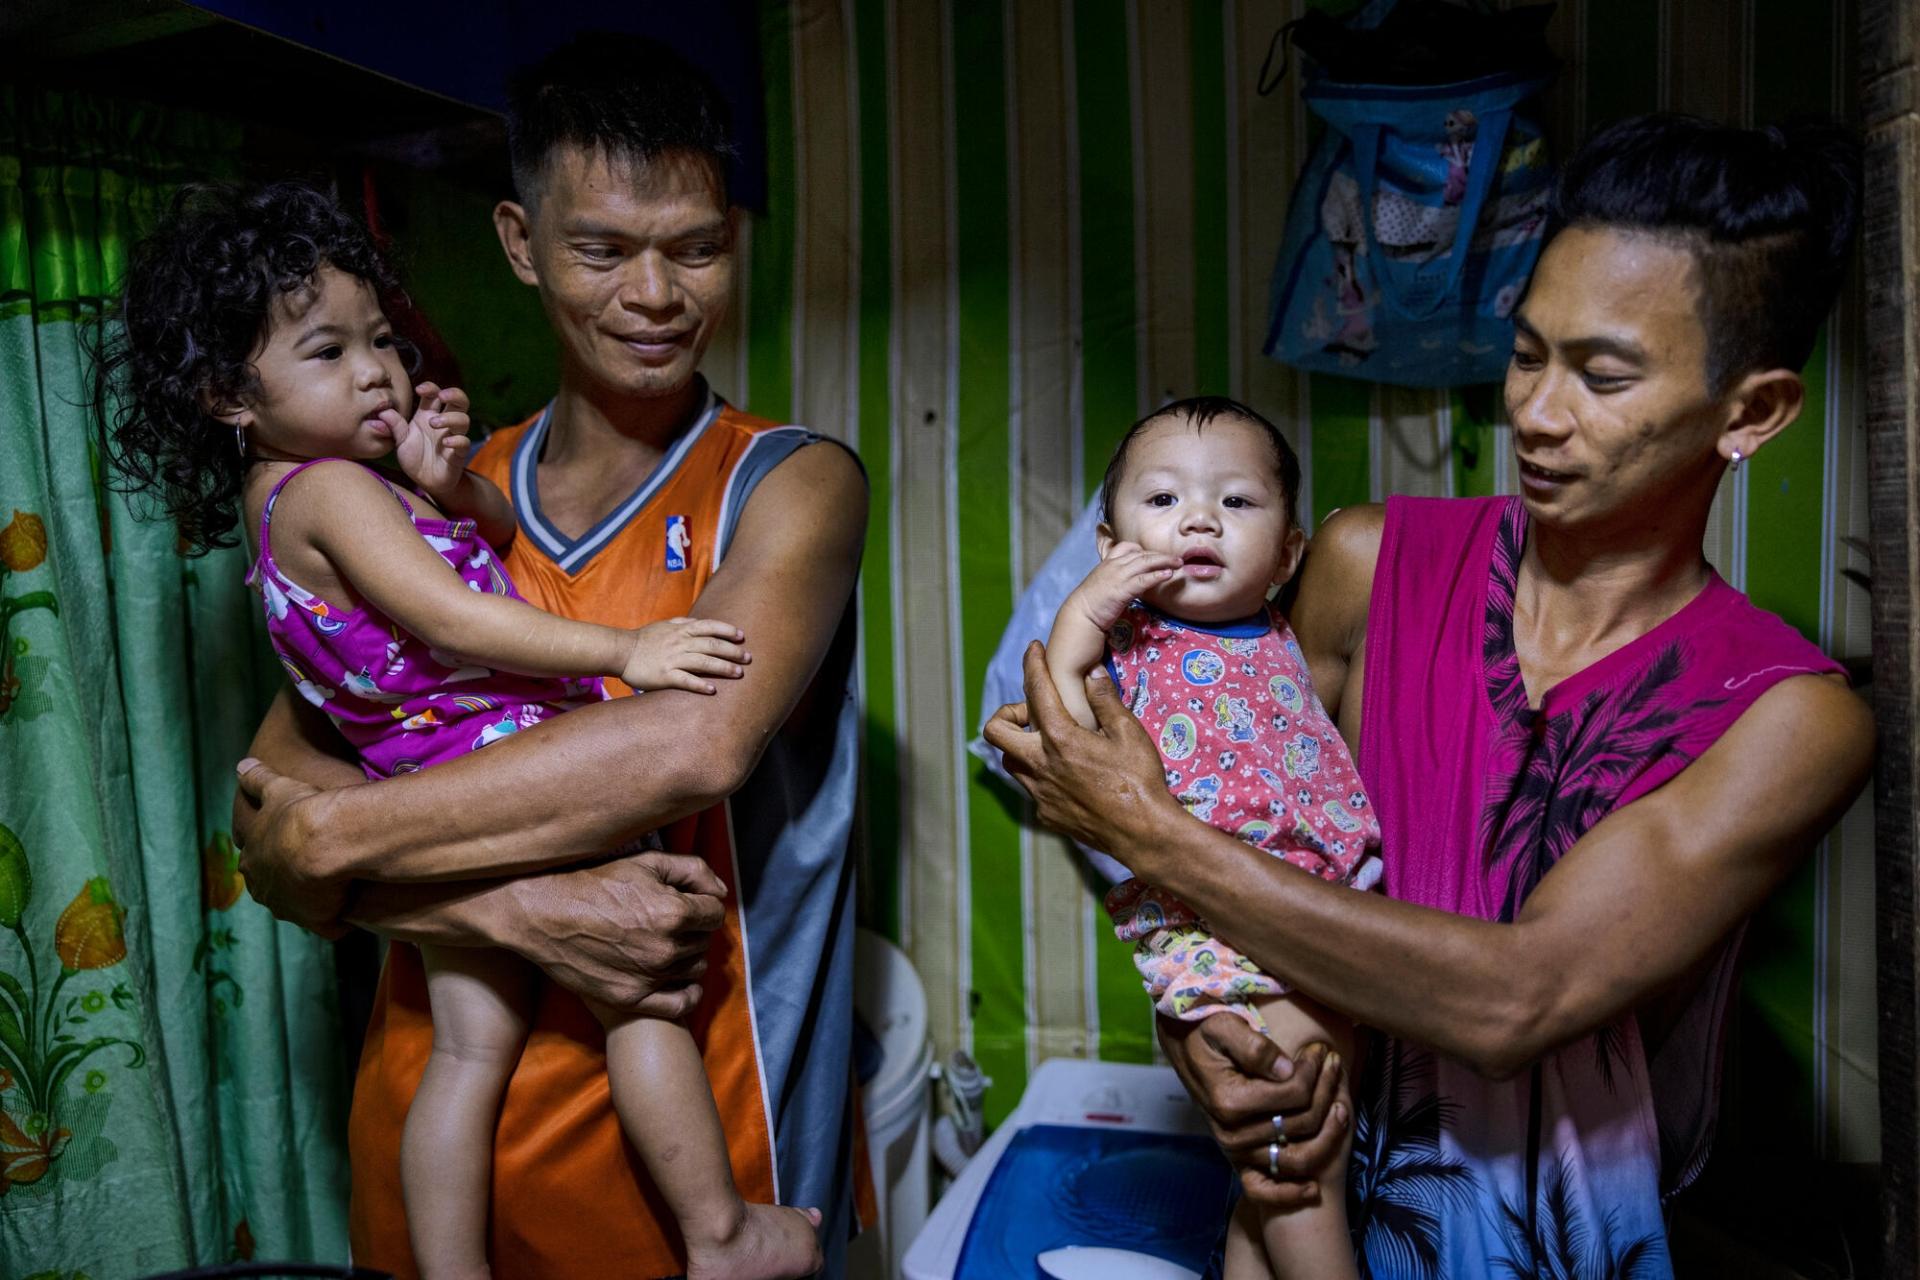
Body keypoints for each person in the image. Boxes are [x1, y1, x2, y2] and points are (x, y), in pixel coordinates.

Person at [986, 113, 1871, 1276]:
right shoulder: (1363, 565)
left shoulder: (1785, 714)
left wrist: (1137, 825)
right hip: (1327, 1184)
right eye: (1526, 353)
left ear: (1751, 411)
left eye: (1602, 375)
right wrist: (1201, 1032)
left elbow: (1518, 999)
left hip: (1563, 1236)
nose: (1538, 413)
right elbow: (1247, 820)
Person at [227, 35, 870, 1279]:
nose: (654, 294)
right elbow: (272, 813)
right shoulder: (412, 504)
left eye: (694, 247)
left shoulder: (790, 482)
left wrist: (336, 844)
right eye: (601, 249)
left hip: (699, 1188)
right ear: (520, 243)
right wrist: (518, 906)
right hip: (431, 1173)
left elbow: (693, 739)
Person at [99, 180, 825, 1280]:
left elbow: (427, 597)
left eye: (380, 338)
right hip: (496, 757)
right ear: (224, 393)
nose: (377, 370)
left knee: (467, 1050)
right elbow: (450, 615)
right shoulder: (335, 489)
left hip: (414, 775)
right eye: (328, 352)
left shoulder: (293, 503)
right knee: (639, 996)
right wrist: (629, 652)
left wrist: (445, 490)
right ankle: (719, 1232)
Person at [1045, 396, 1379, 1280]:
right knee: (1304, 1174)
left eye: (1236, 502)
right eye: (1162, 501)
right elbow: (1068, 717)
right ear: (1113, 546)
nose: (1198, 518)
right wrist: (1087, 607)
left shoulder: (1283, 632)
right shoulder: (1132, 639)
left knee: (1265, 1192)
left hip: (1316, 916)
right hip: (1222, 933)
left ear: (1288, 554)